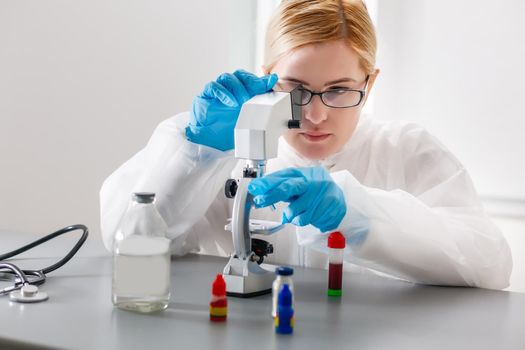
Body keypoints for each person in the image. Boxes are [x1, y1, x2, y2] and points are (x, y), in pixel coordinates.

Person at [100, 0, 512, 289]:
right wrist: (196, 155)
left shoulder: (405, 150)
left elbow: (489, 265)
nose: (315, 115)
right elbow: (128, 244)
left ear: (370, 84)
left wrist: (357, 214)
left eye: (338, 90)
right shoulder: (220, 146)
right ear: (267, 77)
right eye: (295, 89)